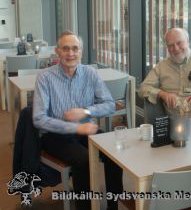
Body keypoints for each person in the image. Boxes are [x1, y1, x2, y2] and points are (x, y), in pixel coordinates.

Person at [33, 31, 123, 210]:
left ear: (81, 51)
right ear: (57, 51)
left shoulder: (90, 73)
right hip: (56, 134)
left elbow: (110, 104)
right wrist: (72, 127)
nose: (71, 53)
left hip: (86, 128)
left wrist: (86, 111)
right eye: (65, 49)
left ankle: (114, 206)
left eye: (75, 48)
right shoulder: (45, 77)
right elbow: (38, 118)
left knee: (114, 155)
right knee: (83, 161)